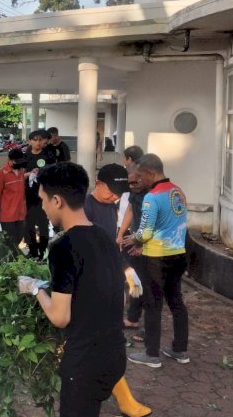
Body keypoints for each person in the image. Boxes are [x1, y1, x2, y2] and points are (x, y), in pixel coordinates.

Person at [16, 163, 126, 417]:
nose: (42, 207)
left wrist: (34, 288)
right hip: (115, 354)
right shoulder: (103, 236)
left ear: (56, 200)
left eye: (43, 200)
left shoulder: (63, 247)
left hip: (86, 362)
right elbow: (112, 294)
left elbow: (60, 317)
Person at [124, 154, 190, 369]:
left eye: (141, 176)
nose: (140, 181)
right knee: (176, 301)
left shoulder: (152, 197)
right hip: (179, 253)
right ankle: (180, 350)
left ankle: (151, 354)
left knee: (152, 305)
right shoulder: (177, 190)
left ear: (151, 174)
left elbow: (144, 232)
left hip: (157, 258)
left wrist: (132, 239)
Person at [118, 163, 149, 332]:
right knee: (133, 279)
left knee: (144, 283)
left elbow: (153, 223)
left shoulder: (152, 195)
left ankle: (140, 322)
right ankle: (132, 317)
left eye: (134, 183)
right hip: (134, 240)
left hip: (148, 244)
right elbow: (130, 209)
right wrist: (121, 233)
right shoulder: (135, 192)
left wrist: (142, 244)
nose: (132, 187)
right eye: (129, 184)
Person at [22, 130, 56, 259]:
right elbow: (19, 174)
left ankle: (42, 251)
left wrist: (41, 171)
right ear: (29, 141)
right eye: (34, 140)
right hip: (28, 196)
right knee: (29, 223)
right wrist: (28, 174)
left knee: (43, 224)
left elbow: (54, 172)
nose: (37, 142)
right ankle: (32, 251)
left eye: (40, 140)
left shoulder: (48, 155)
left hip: (44, 196)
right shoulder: (25, 156)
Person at [0, 149, 27, 254]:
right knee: (10, 241)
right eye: (17, 162)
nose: (19, 164)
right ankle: (12, 261)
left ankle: (9, 258)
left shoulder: (21, 172)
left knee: (19, 238)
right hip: (7, 215)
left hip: (21, 213)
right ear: (10, 160)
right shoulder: (0, 174)